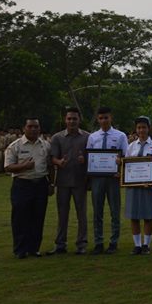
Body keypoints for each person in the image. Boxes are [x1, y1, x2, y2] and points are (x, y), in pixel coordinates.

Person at [4, 117, 51, 258]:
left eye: (36, 127)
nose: (33, 129)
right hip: (22, 184)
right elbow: (8, 167)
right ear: (24, 128)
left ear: (40, 128)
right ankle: (20, 249)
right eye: (30, 126)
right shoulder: (15, 146)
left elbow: (50, 166)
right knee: (20, 218)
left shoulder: (45, 145)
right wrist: (23, 166)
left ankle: (34, 248)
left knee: (38, 217)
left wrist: (51, 183)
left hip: (40, 184)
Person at [86, 106, 129, 254]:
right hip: (97, 178)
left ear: (111, 118)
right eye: (101, 118)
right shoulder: (93, 137)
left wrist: (120, 165)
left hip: (113, 179)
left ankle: (113, 242)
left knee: (115, 211)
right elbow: (89, 157)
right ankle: (98, 242)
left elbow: (126, 157)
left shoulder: (120, 136)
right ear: (98, 120)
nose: (104, 120)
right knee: (97, 211)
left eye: (106, 117)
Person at [48, 107, 90, 255]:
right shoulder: (57, 138)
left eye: (75, 118)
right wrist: (59, 162)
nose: (72, 121)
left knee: (81, 214)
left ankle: (82, 244)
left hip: (80, 181)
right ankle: (60, 244)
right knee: (62, 214)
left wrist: (85, 160)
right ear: (65, 120)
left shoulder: (87, 137)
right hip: (63, 181)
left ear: (79, 120)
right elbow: (52, 158)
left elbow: (94, 158)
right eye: (69, 118)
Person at [124, 116, 152, 255]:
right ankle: (137, 245)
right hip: (133, 187)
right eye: (139, 127)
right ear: (136, 129)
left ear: (149, 129)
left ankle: (146, 244)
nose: (141, 130)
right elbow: (126, 166)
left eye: (144, 127)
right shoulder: (131, 146)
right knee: (134, 216)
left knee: (148, 216)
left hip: (148, 187)